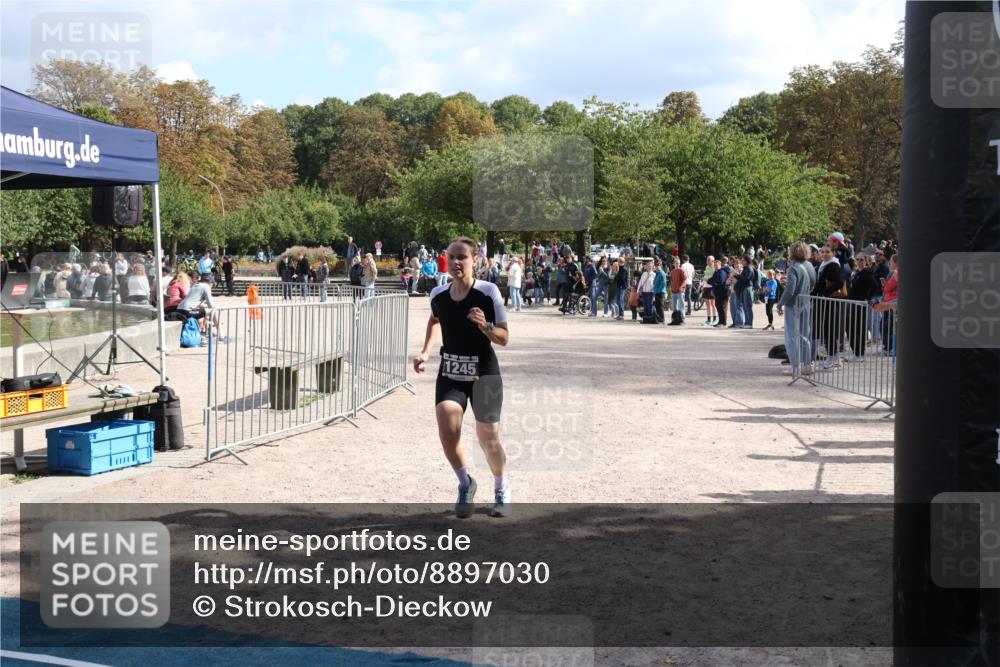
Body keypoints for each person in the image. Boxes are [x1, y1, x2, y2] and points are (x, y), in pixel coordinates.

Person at [412, 237, 512, 519]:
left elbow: (504, 338)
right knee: (447, 430)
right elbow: (435, 320)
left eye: (462, 257)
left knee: (488, 438)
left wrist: (486, 326)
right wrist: (425, 353)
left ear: (474, 260)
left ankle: (501, 487)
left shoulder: (488, 292)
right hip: (452, 371)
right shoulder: (438, 295)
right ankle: (466, 484)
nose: (457, 262)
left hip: (484, 372)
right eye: (452, 257)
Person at [776, 241, 816, 376]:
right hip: (806, 302)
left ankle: (795, 367)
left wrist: (780, 303)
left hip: (793, 304)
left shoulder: (793, 268)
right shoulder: (810, 265)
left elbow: (790, 290)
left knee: (792, 336)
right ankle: (807, 365)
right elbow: (813, 283)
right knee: (805, 335)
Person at [812, 244, 845, 370]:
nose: (824, 254)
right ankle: (832, 358)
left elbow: (839, 282)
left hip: (831, 303)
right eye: (822, 252)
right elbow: (820, 283)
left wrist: (825, 294)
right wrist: (812, 295)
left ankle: (833, 358)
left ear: (833, 253)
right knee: (827, 330)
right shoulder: (824, 265)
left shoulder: (833, 265)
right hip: (826, 303)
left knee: (830, 330)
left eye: (827, 252)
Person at [845, 254, 877, 361]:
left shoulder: (867, 274)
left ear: (866, 261)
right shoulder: (857, 273)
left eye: (861, 260)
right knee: (853, 328)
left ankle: (858, 354)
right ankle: (858, 353)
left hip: (859, 304)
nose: (859, 261)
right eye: (857, 259)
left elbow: (875, 286)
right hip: (853, 303)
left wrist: (867, 298)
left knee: (856, 328)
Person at [709, 259, 732, 328]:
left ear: (720, 265)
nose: (715, 266)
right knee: (718, 306)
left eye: (716, 265)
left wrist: (714, 282)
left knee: (723, 307)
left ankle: (723, 323)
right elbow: (711, 280)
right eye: (714, 265)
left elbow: (721, 281)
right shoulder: (716, 272)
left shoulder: (722, 272)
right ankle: (720, 321)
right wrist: (709, 280)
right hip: (718, 292)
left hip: (723, 292)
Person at [669, 257, 686, 324]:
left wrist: (681, 287)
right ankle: (674, 318)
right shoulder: (673, 271)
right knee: (673, 306)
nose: (677, 264)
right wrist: (671, 287)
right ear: (674, 264)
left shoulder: (681, 271)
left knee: (681, 305)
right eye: (676, 263)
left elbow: (685, 280)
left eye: (678, 263)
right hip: (674, 291)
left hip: (680, 291)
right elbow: (672, 281)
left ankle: (682, 318)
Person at [702, 256, 716, 325]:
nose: (707, 261)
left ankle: (714, 319)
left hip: (711, 287)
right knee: (707, 304)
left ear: (713, 261)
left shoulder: (714, 268)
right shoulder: (706, 267)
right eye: (707, 260)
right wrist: (703, 286)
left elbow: (711, 277)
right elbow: (705, 277)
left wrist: (707, 277)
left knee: (713, 304)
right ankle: (708, 319)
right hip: (706, 287)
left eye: (709, 260)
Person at [652, 259, 667, 324]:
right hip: (657, 292)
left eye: (658, 265)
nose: (656, 266)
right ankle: (659, 318)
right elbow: (655, 282)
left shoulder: (662, 273)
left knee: (660, 306)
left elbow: (663, 283)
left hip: (661, 292)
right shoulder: (657, 273)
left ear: (660, 265)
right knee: (657, 305)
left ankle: (662, 319)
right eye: (656, 265)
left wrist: (658, 290)